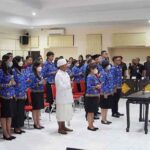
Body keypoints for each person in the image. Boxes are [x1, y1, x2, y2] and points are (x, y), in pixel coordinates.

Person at [55, 58, 74, 135]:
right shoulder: (58, 74)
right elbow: (59, 87)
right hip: (61, 97)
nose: (67, 66)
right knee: (61, 112)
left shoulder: (66, 73)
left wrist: (70, 84)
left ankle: (64, 126)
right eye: (65, 65)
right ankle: (60, 128)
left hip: (67, 96)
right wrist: (69, 84)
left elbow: (68, 84)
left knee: (65, 112)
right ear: (61, 65)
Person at [0, 54, 16, 140]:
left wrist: (13, 83)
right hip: (3, 96)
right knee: (4, 115)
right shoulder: (1, 71)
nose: (11, 62)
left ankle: (9, 132)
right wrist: (7, 84)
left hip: (11, 95)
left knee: (9, 115)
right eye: (9, 60)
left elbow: (12, 81)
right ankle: (5, 133)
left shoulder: (10, 70)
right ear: (5, 61)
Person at [11, 56, 27, 134]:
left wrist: (25, 93)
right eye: (20, 61)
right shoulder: (13, 71)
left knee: (21, 112)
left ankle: (20, 126)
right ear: (16, 62)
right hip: (16, 95)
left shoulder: (21, 70)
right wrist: (14, 94)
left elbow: (24, 82)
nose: (22, 62)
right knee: (16, 112)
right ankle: (16, 127)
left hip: (22, 94)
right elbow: (12, 84)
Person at [30, 60, 46, 129]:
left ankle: (38, 122)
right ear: (35, 67)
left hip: (40, 92)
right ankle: (35, 123)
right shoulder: (32, 75)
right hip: (35, 93)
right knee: (35, 109)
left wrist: (43, 82)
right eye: (39, 66)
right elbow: (31, 85)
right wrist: (39, 83)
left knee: (39, 109)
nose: (40, 67)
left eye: (40, 66)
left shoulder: (40, 74)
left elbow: (42, 82)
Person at [85, 64, 100, 131]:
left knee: (93, 111)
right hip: (90, 96)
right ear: (91, 69)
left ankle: (92, 124)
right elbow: (88, 87)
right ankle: (90, 126)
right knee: (90, 112)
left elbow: (97, 83)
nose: (96, 70)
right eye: (95, 68)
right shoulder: (89, 76)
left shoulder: (94, 76)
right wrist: (96, 87)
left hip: (95, 95)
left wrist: (99, 85)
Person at [100, 60, 113, 125]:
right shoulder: (103, 73)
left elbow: (110, 82)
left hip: (109, 92)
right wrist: (105, 93)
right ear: (105, 66)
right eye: (108, 65)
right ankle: (103, 119)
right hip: (104, 93)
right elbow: (102, 84)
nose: (109, 66)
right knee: (104, 106)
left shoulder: (108, 72)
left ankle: (105, 119)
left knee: (106, 106)